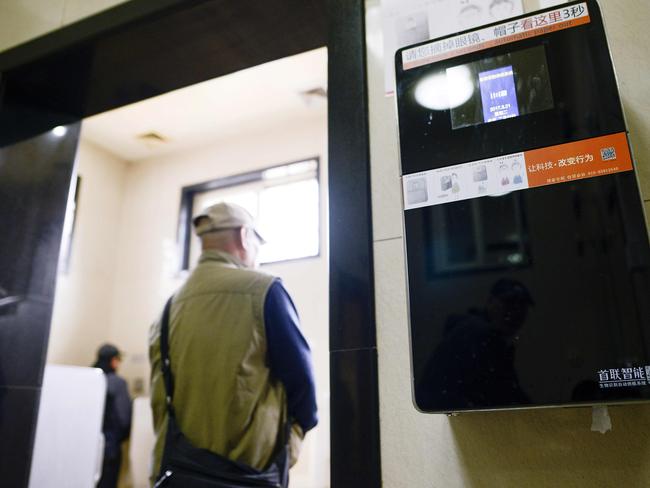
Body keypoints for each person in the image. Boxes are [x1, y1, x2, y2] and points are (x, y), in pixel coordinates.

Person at [149, 202, 318, 483]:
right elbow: (303, 386)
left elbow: (159, 401)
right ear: (243, 236)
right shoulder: (265, 291)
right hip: (249, 474)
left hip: (181, 475)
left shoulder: (169, 308)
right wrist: (290, 445)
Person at [93, 343, 132, 488]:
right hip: (110, 447)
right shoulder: (117, 383)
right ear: (113, 360)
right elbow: (124, 418)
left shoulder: (88, 378)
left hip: (87, 444)